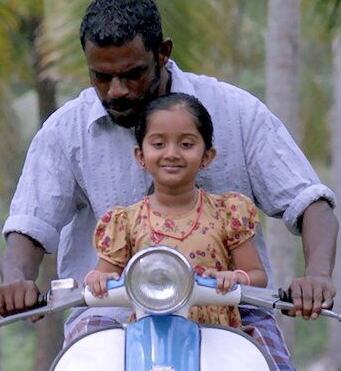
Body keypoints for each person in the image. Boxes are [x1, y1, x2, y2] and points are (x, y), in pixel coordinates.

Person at [0, 0, 337, 371]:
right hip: (109, 315)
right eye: (101, 77)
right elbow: (30, 224)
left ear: (163, 53)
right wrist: (17, 279)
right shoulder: (66, 130)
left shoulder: (235, 112)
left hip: (227, 312)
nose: (116, 90)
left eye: (132, 74)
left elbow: (310, 203)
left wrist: (316, 276)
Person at [84, 93, 266, 329]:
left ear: (207, 156)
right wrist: (98, 280)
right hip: (148, 337)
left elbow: (257, 276)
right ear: (141, 156)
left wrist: (236, 278)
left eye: (186, 144)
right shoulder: (126, 221)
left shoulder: (227, 213)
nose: (171, 153)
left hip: (216, 338)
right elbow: (102, 277)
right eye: (158, 144)